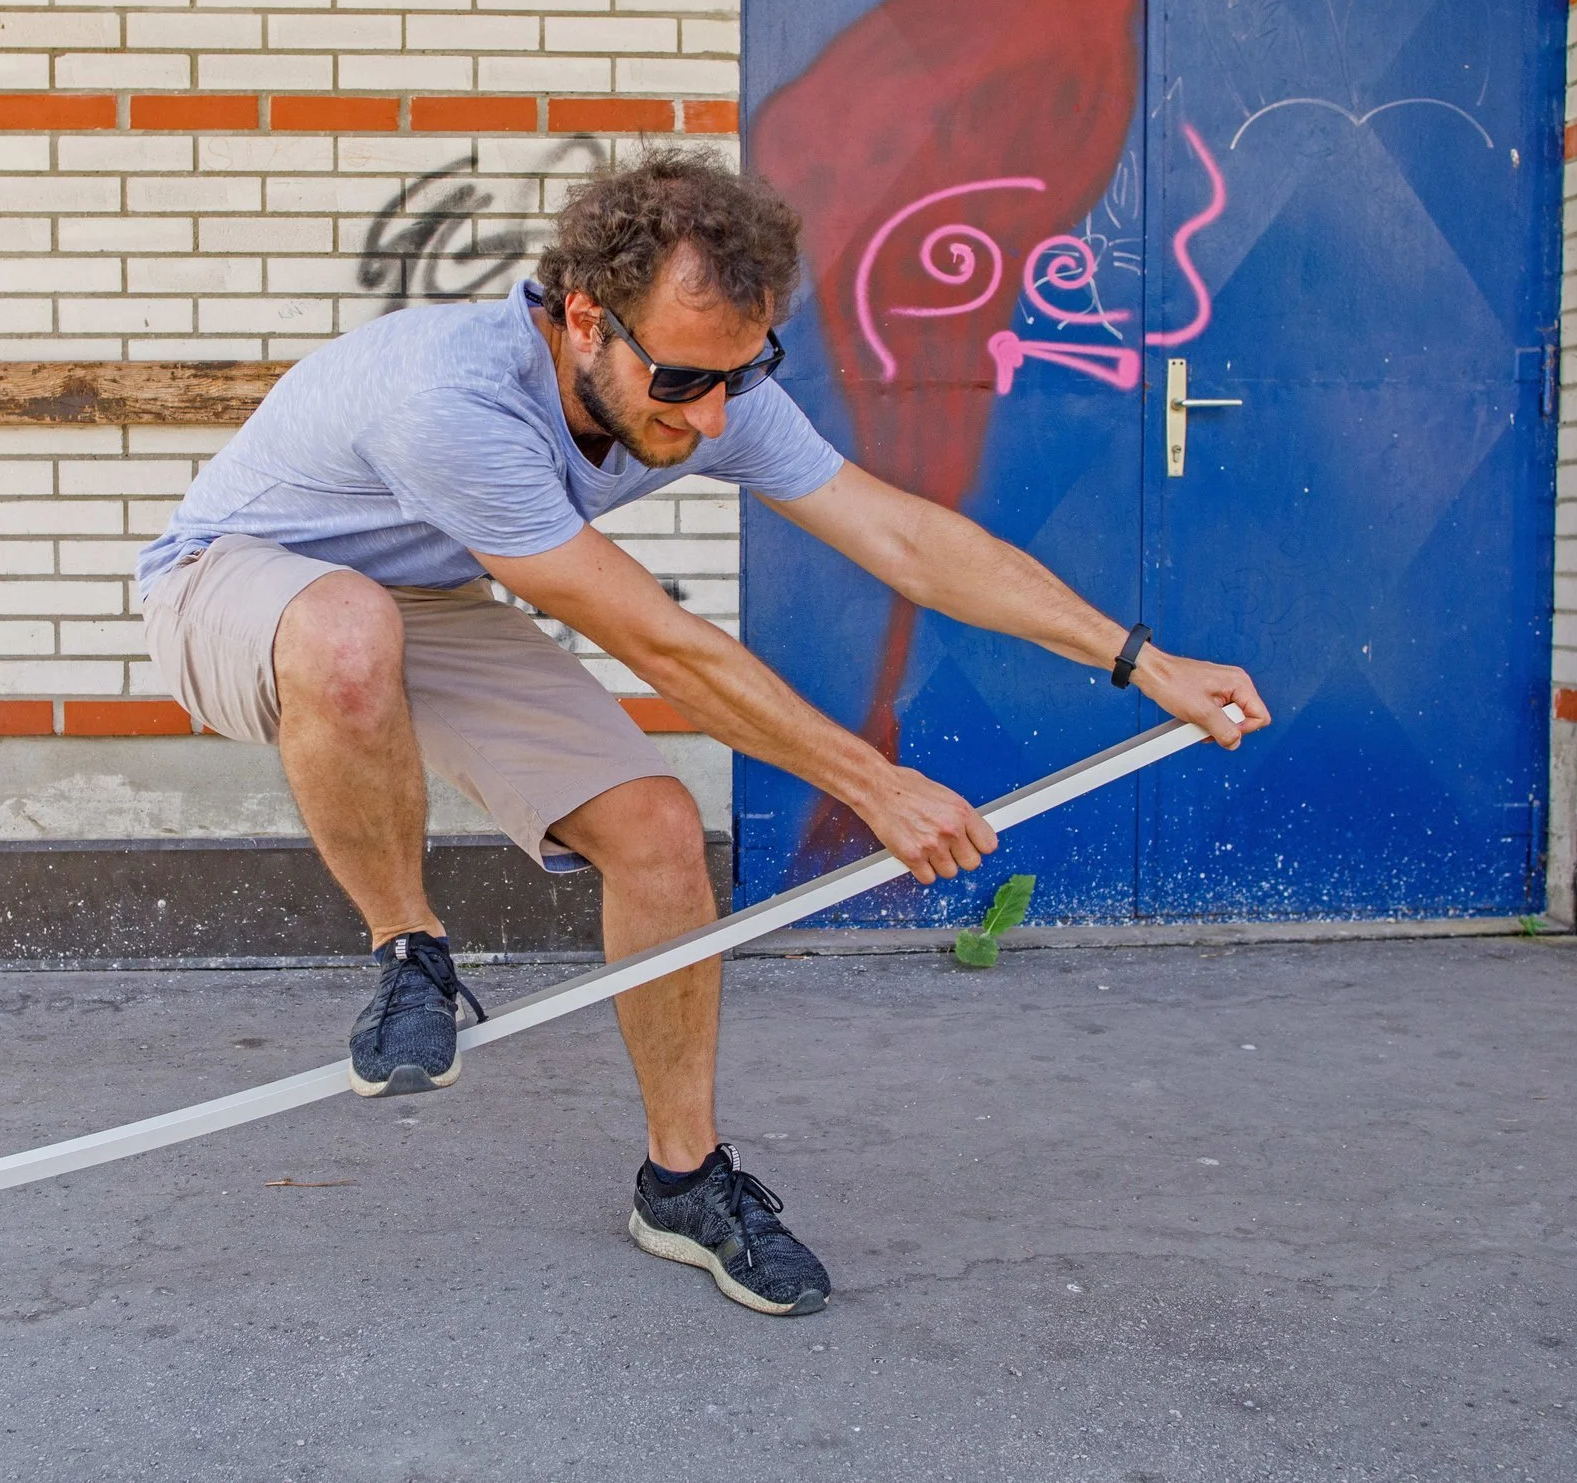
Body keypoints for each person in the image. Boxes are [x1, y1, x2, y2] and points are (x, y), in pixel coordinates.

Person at [137, 151, 1269, 1317]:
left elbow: (905, 540)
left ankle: (681, 1179)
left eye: (743, 374)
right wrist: (870, 782)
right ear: (585, 317)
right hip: (237, 581)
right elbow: (662, 646)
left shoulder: (704, 376)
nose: (714, 414)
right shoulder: (451, 400)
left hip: (428, 594)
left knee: (661, 828)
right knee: (344, 633)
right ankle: (405, 948)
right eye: (682, 381)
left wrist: (1142, 661)